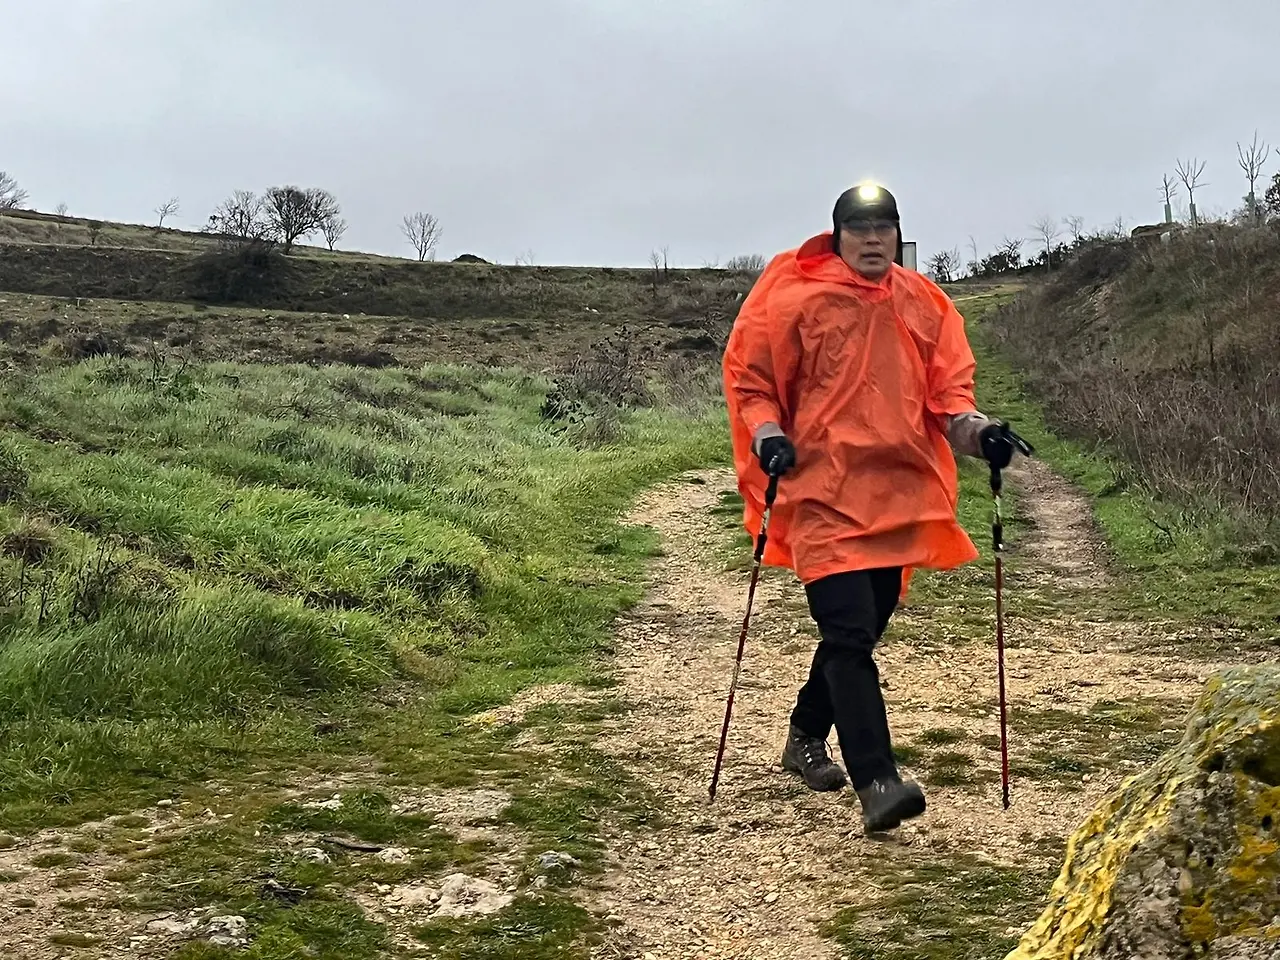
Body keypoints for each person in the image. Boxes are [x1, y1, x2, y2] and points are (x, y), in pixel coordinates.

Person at [721, 181, 1023, 833]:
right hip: (820, 492)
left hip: (896, 495)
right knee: (848, 632)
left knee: (860, 629)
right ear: (838, 236)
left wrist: (981, 434)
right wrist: (768, 435)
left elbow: (949, 398)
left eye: (884, 227)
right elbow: (753, 380)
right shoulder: (793, 296)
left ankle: (804, 735)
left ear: (897, 236)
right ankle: (878, 781)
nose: (872, 239)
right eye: (859, 228)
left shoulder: (924, 303)